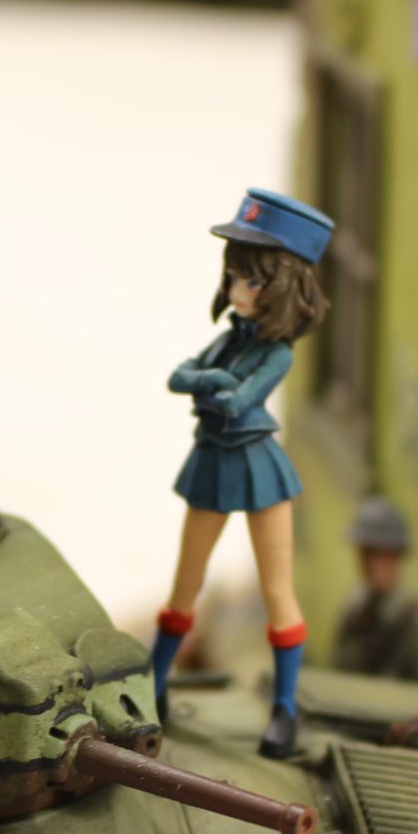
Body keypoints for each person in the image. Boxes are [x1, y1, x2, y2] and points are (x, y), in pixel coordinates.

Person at [149, 188, 334, 760]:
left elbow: (238, 401)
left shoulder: (277, 354)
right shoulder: (230, 338)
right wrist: (215, 382)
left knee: (277, 590)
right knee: (186, 582)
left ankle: (284, 708)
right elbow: (179, 377)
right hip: (211, 462)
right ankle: (154, 683)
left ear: (283, 286)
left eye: (252, 281)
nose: (237, 291)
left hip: (259, 469)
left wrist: (211, 385)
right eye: (234, 277)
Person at [331, 497, 418, 686]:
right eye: (367, 552)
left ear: (397, 555)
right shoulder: (355, 612)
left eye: (382, 553)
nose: (373, 563)